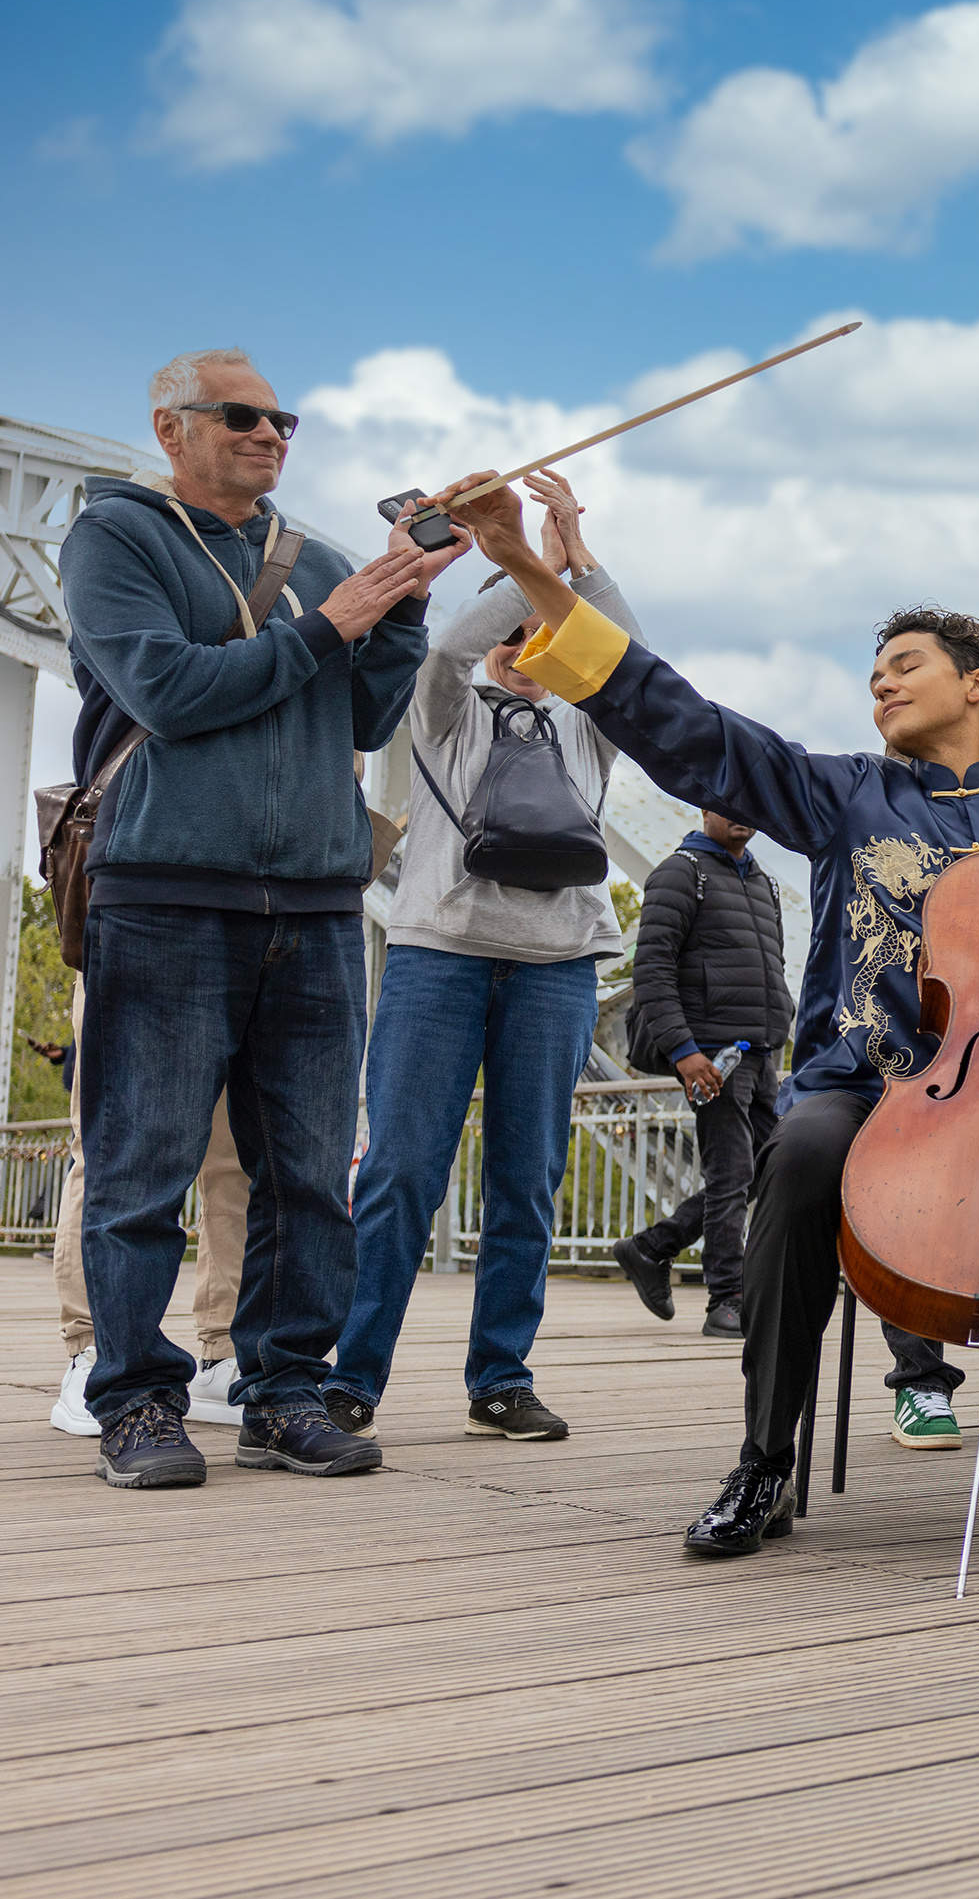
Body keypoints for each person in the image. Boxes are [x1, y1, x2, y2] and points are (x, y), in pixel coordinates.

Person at [440, 473, 979, 1554]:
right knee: (796, 1161)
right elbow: (683, 725)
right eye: (872, 674)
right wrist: (526, 566)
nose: (880, 685)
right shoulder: (843, 791)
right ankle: (764, 1461)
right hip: (871, 1084)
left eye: (906, 666)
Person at [56, 347, 463, 1488]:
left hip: (320, 902)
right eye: (239, 414)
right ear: (170, 428)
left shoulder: (326, 561)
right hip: (166, 893)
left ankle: (283, 1390)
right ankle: (136, 1397)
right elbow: (169, 694)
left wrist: (400, 611)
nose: (270, 432)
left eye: (282, 417)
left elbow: (370, 720)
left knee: (305, 1173)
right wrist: (332, 623)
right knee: (143, 1165)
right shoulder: (115, 538)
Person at [325, 471, 638, 1445]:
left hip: (556, 965)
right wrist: (521, 560)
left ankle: (501, 1376)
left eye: (546, 633)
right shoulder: (446, 708)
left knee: (526, 1180)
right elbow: (455, 640)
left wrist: (574, 551)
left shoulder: (589, 727)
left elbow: (629, 656)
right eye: (516, 633)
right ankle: (353, 1376)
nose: (527, 648)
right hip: (439, 958)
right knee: (401, 1173)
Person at [614, 806, 794, 1340]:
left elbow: (773, 966)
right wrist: (683, 1050)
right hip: (712, 1054)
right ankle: (727, 1299)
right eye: (728, 803)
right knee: (732, 1170)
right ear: (704, 808)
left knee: (769, 1166)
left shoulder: (763, 880)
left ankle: (653, 1247)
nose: (742, 813)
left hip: (761, 1052)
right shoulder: (680, 872)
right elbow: (650, 968)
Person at [49, 987, 251, 1436]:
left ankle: (223, 1355)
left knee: (234, 1162)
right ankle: (91, 1350)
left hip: (232, 944)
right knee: (108, 1145)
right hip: (128, 933)